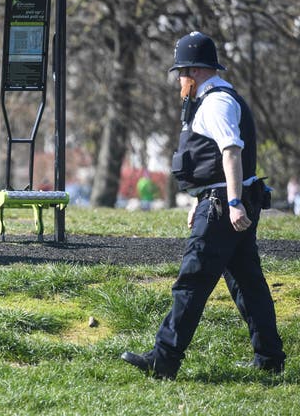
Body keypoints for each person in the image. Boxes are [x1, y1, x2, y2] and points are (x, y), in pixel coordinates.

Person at [121, 31, 285, 379]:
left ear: (193, 71)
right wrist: (205, 199)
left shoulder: (215, 103)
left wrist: (233, 201)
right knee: (248, 283)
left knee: (191, 283)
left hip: (225, 207)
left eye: (181, 73)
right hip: (221, 202)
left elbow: (231, 151)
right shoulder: (221, 99)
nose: (179, 81)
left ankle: (163, 360)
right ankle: (270, 358)